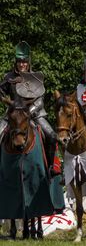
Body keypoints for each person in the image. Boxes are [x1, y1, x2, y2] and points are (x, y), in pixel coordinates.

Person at [0, 41, 58, 174]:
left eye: (24, 62)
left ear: (28, 62)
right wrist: (5, 100)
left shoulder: (36, 77)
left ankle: (51, 167)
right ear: (16, 62)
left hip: (35, 114)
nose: (22, 64)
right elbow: (1, 92)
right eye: (19, 62)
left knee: (52, 135)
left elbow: (40, 101)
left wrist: (28, 113)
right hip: (13, 114)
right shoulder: (9, 77)